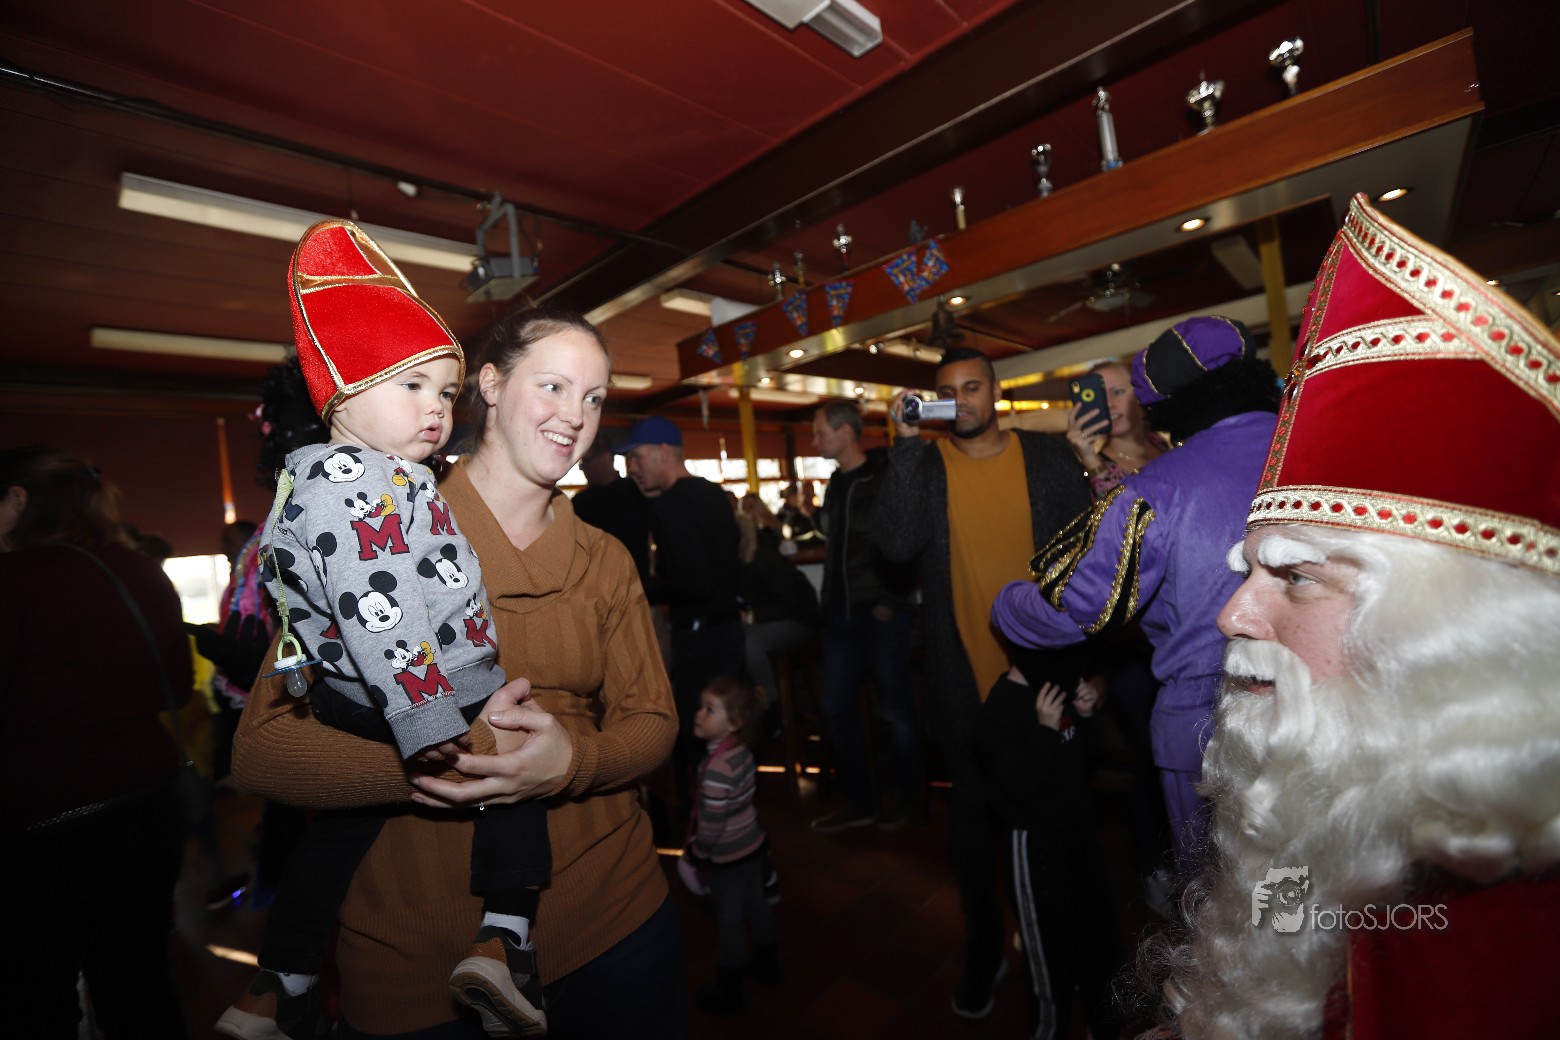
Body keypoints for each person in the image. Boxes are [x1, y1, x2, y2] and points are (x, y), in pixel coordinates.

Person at [1142, 194, 1560, 1040]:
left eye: (1295, 578)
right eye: (1250, 572)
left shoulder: (1502, 949)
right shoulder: (1323, 783)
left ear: (1443, 635)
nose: (1232, 616)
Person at [234, 303, 684, 1040]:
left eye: (595, 397)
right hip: (419, 955)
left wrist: (571, 763)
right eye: (553, 386)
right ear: (492, 385)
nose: (576, 416)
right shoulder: (370, 518)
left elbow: (654, 721)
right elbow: (263, 750)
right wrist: (455, 762)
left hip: (618, 914)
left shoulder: (603, 557)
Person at [222, 219, 552, 1039]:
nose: (436, 409)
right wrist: (426, 712)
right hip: (412, 687)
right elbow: (383, 608)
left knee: (336, 838)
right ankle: (505, 939)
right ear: (342, 392)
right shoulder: (354, 486)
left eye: (444, 393)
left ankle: (281, 982)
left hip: (359, 692)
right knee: (513, 775)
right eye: (412, 386)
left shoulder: (366, 477)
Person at [993, 316, 1280, 882]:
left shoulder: (1156, 488)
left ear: (1163, 406)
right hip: (1326, 704)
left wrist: (1006, 602)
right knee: (1305, 887)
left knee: (1218, 896)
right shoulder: (1315, 448)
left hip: (1209, 723)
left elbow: (1078, 611)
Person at [874, 345, 1092, 1019]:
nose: (961, 400)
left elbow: (1089, 561)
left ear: (995, 392)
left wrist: (1092, 665)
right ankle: (985, 946)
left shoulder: (1047, 457)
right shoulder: (925, 465)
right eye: (948, 391)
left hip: (1048, 681)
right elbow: (894, 546)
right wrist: (903, 445)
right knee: (972, 831)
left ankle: (1064, 950)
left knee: (1059, 828)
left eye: (972, 386)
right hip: (962, 678)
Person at [1, 446, 193, 1039]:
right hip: (149, 799)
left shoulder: (12, 578)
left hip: (42, 817)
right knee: (138, 979)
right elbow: (177, 687)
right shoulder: (140, 569)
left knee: (37, 993)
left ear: (17, 500)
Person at [975, 663, 1124, 1040]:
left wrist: (1086, 716)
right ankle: (1048, 1028)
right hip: (1034, 847)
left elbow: (1084, 758)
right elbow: (1013, 789)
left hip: (1079, 834)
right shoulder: (1002, 704)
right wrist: (1044, 730)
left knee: (1099, 936)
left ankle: (1103, 1025)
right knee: (1047, 950)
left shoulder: (1062, 682)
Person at [808, 399, 919, 833]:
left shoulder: (885, 472)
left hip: (881, 612)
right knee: (836, 707)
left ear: (845, 432)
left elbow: (909, 536)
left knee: (895, 710)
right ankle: (860, 801)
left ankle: (906, 796)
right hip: (842, 614)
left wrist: (890, 599)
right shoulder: (836, 482)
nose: (814, 440)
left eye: (820, 432)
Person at [619, 416, 745, 782]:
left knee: (698, 740)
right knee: (730, 738)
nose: (632, 469)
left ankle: (704, 812)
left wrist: (642, 588)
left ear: (663, 452)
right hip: (729, 632)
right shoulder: (712, 493)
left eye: (637, 457)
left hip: (699, 638)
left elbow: (693, 583)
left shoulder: (671, 504)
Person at [683, 674, 780, 1013]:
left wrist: (698, 852)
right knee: (757, 904)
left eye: (710, 709)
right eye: (701, 706)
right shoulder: (742, 753)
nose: (698, 714)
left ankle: (729, 985)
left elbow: (712, 825)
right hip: (753, 846)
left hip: (727, 857)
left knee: (729, 920)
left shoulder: (717, 769)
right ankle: (768, 963)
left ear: (734, 722)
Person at [569, 429, 652, 585]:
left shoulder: (637, 491)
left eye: (587, 460)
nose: (582, 467)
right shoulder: (579, 502)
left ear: (607, 457)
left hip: (637, 583)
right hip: (593, 585)